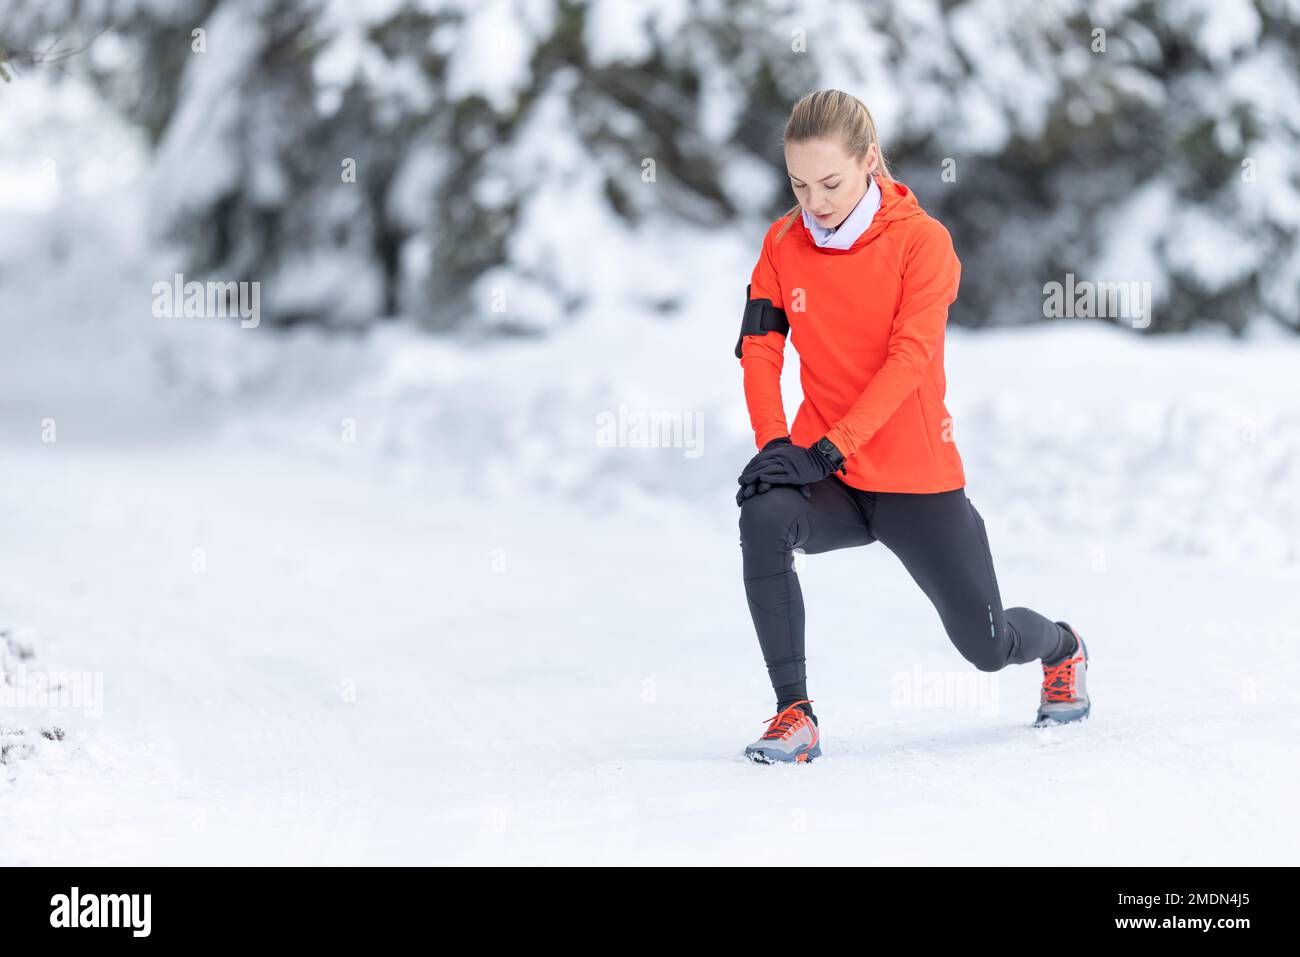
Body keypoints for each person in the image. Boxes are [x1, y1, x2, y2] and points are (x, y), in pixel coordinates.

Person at [735, 90, 1089, 765]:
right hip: (828, 477)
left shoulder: (922, 243)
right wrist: (775, 445)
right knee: (762, 514)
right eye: (800, 184)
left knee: (987, 647)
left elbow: (909, 361)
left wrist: (829, 446)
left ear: (869, 160)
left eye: (831, 182)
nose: (815, 201)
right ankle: (794, 713)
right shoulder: (782, 243)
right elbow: (761, 347)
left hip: (913, 478)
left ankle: (1063, 647)